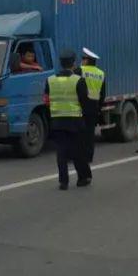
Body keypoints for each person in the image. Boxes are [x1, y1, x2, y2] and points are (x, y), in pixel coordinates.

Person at [45, 50, 92, 190]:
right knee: (78, 151)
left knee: (61, 152)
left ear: (60, 63)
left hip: (57, 120)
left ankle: (63, 182)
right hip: (75, 120)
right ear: (73, 63)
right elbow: (85, 102)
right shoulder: (78, 80)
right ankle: (82, 178)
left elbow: (47, 100)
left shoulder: (50, 80)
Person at [78, 47, 106, 163]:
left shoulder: (81, 70)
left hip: (80, 106)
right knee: (90, 134)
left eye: (83, 58)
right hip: (93, 107)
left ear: (87, 60)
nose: (82, 60)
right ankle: (89, 156)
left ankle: (79, 156)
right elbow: (103, 94)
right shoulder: (101, 73)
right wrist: (99, 107)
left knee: (79, 133)